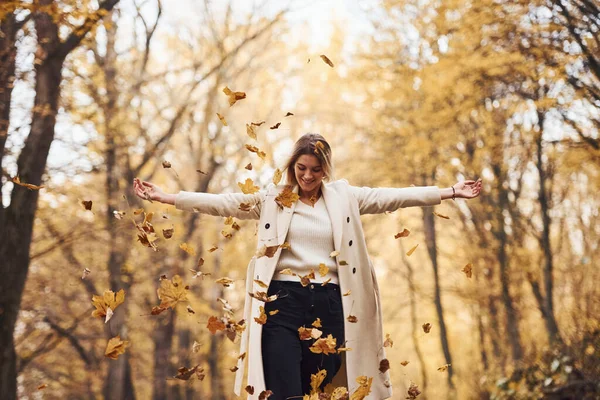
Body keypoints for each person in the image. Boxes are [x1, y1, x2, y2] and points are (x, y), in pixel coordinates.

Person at [133, 133, 482, 400]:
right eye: (301, 168)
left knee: (320, 390)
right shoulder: (272, 198)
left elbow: (393, 196)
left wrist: (450, 191)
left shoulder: (345, 197)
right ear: (292, 166)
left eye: (316, 170)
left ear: (326, 170)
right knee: (283, 387)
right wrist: (168, 197)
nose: (308, 176)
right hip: (281, 302)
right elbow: (225, 203)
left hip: (330, 306)